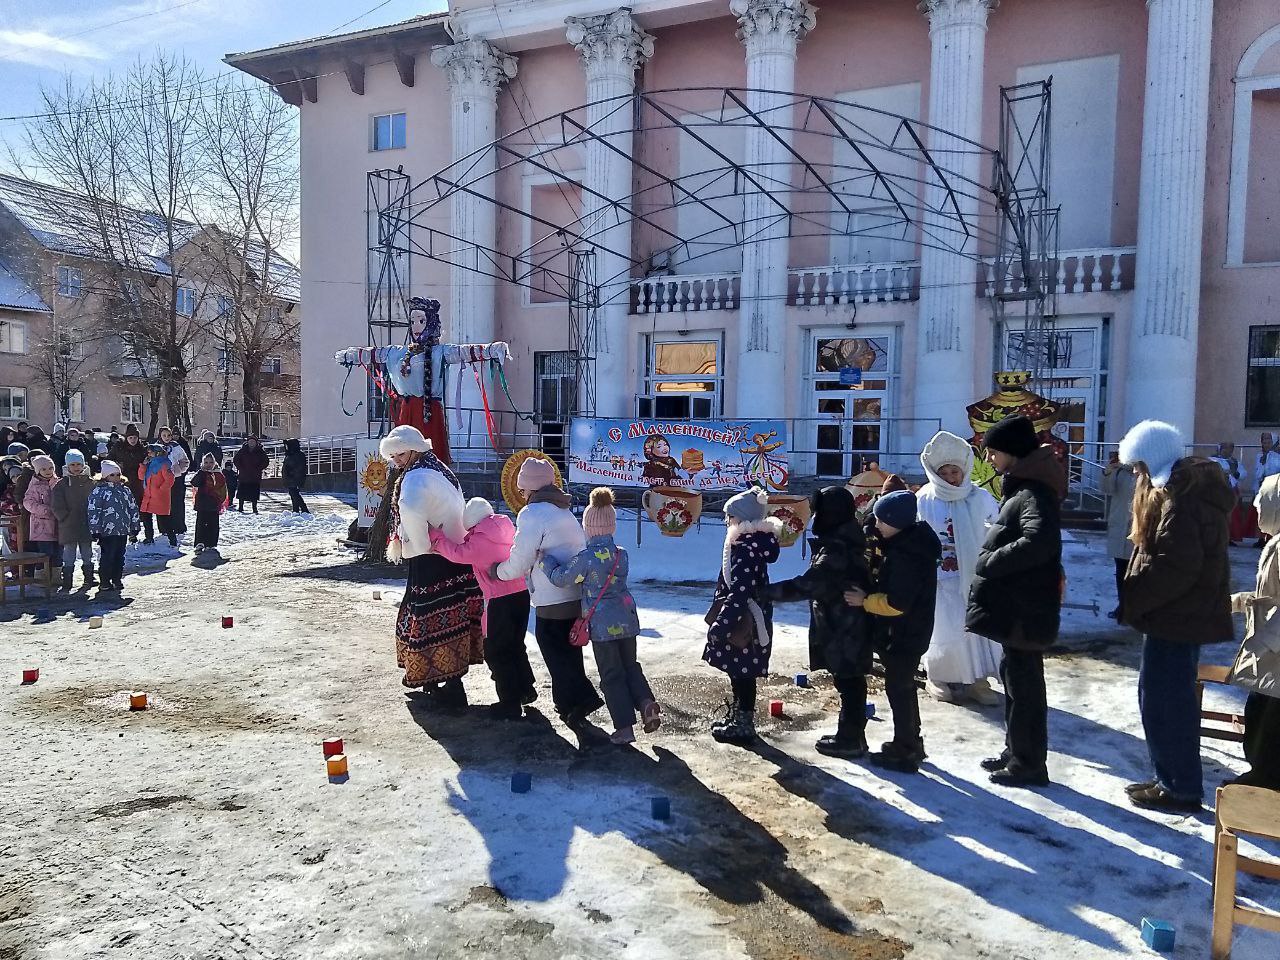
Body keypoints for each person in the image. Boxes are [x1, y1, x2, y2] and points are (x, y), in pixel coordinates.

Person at [1119, 419, 1233, 812]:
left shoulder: (1182, 500)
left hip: (1176, 617)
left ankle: (1179, 788)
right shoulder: (1183, 493)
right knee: (1165, 699)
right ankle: (1169, 777)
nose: (1136, 475)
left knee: (1166, 702)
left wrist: (1139, 600)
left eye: (1139, 466)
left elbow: (1177, 567)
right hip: (1177, 616)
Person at [967, 414, 1065, 789]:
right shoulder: (1025, 487)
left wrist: (990, 561)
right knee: (1014, 681)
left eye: (992, 452)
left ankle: (1028, 763)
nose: (989, 459)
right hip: (1020, 609)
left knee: (1024, 689)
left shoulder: (1033, 492)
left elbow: (1039, 541)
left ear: (1011, 451)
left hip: (1026, 608)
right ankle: (1015, 751)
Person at [541, 487, 660, 745]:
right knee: (630, 666)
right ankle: (646, 702)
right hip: (627, 618)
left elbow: (562, 578)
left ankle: (624, 728)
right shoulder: (621, 554)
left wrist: (546, 561)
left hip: (603, 627)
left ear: (589, 528)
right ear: (612, 526)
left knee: (611, 675)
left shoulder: (586, 558)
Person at [495, 457, 604, 730]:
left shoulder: (532, 514)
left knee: (553, 649)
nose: (521, 496)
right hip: (574, 592)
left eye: (522, 490)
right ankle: (568, 703)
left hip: (551, 595)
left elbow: (522, 555)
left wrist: (500, 572)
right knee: (567, 651)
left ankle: (579, 700)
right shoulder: (563, 511)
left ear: (529, 488)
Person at [382, 425, 484, 707]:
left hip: (432, 558)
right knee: (452, 617)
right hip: (454, 553)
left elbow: (412, 510)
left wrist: (420, 544)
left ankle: (444, 684)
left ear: (414, 450)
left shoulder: (414, 479)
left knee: (431, 619)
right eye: (393, 456)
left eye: (400, 454)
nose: (396, 461)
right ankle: (444, 681)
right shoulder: (438, 467)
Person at [768, 486, 873, 758]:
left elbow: (807, 585)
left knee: (849, 682)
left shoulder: (836, 550)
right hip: (848, 626)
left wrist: (765, 592)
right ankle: (853, 736)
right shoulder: (846, 538)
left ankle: (850, 739)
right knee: (850, 681)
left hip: (845, 628)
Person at [845, 489, 940, 772]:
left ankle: (905, 750)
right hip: (911, 633)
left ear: (897, 522)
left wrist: (864, 601)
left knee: (899, 690)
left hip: (902, 635)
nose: (876, 527)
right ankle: (911, 740)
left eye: (881, 521)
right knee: (904, 688)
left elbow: (897, 604)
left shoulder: (905, 556)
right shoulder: (909, 544)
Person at [430, 497, 537, 720]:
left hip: (500, 600)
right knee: (515, 646)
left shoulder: (480, 541)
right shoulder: (506, 529)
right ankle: (526, 689)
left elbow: (457, 554)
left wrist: (436, 537)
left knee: (497, 651)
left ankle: (509, 703)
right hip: (520, 596)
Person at [916, 431, 1002, 706]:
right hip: (941, 579)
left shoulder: (980, 497)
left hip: (976, 576)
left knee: (975, 630)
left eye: (956, 471)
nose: (952, 477)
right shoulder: (925, 498)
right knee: (944, 629)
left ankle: (977, 679)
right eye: (946, 471)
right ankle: (938, 676)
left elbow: (998, 527)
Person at [704, 487, 782, 746]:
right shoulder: (749, 544)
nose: (727, 522)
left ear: (744, 521)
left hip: (744, 622)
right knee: (739, 671)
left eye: (731, 517)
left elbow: (739, 592)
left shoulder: (746, 549)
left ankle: (743, 723)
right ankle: (739, 717)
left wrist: (720, 626)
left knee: (742, 672)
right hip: (746, 617)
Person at [1228, 474, 1280, 790]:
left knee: (1269, 727)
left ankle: (1263, 789)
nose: (1256, 509)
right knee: (1259, 715)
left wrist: (1266, 642)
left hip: (1275, 657)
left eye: (1263, 501)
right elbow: (1270, 597)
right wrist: (1235, 602)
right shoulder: (1275, 542)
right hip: (1271, 656)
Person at [87, 459, 140, 594]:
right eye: (112, 475)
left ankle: (117, 578)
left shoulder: (125, 490)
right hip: (106, 531)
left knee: (119, 556)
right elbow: (94, 511)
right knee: (107, 556)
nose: (116, 477)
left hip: (122, 529)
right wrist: (95, 530)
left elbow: (132, 507)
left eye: (117, 474)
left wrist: (135, 525)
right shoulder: (99, 491)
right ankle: (105, 581)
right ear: (105, 476)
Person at [1100, 452, 1138, 618]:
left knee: (1137, 571)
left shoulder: (1145, 472)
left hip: (1137, 529)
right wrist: (1109, 470)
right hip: (1119, 526)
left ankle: (1135, 608)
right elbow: (1107, 489)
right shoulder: (1119, 471)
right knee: (1121, 569)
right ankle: (1122, 606)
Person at [51, 449, 95, 591]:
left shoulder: (90, 483)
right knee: (69, 554)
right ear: (67, 466)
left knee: (87, 553)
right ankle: (67, 580)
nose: (76, 468)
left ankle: (89, 578)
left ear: (83, 465)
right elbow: (56, 504)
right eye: (73, 465)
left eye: (78, 464)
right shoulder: (62, 484)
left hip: (86, 523)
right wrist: (64, 517)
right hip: (69, 525)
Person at [22, 454, 61, 573]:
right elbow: (28, 502)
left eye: (50, 468)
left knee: (58, 552)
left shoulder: (58, 483)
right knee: (44, 553)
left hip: (58, 524)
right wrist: (44, 510)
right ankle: (42, 576)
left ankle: (56, 575)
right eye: (43, 469)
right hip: (41, 526)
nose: (48, 471)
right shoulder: (34, 486)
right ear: (38, 471)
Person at [110, 425, 146, 535]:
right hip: (122, 479)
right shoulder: (119, 447)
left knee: (136, 506)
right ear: (126, 438)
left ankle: (134, 531)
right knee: (123, 505)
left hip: (137, 480)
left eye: (135, 438)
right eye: (130, 438)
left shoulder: (142, 449)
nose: (133, 440)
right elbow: (109, 459)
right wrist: (116, 466)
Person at [139, 443, 176, 547]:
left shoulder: (164, 464)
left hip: (159, 497)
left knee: (164, 520)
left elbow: (170, 479)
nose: (149, 454)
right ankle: (149, 537)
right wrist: (143, 465)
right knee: (146, 518)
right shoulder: (150, 463)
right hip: (148, 495)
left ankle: (172, 539)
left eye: (151, 452)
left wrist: (161, 489)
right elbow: (141, 477)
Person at [191, 454, 228, 552]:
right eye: (206, 462)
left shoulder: (218, 474)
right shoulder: (202, 474)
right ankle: (199, 542)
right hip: (202, 503)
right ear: (203, 463)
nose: (208, 465)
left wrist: (220, 500)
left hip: (214, 503)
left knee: (213, 524)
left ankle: (211, 543)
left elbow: (223, 489)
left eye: (211, 462)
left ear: (215, 463)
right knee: (200, 524)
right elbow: (194, 482)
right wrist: (201, 472)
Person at [160, 427, 192, 539]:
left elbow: (185, 461)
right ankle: (164, 528)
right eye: (164, 435)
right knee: (163, 504)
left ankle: (179, 526)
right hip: (162, 479)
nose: (167, 438)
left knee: (177, 503)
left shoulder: (176, 447)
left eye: (168, 435)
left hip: (176, 479)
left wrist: (179, 471)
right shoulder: (156, 447)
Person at [1253, 433, 1280, 548]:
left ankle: (1273, 539)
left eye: (1269, 442)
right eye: (1264, 442)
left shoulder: (1278, 455)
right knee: (1263, 512)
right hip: (1264, 487)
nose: (1266, 444)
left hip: (1276, 486)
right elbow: (1258, 472)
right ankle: (1261, 538)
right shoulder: (1260, 456)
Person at [233, 435, 269, 514]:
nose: (251, 443)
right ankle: (241, 507)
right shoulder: (242, 450)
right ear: (247, 442)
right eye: (250, 441)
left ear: (256, 443)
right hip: (244, 475)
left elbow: (266, 461)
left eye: (253, 441)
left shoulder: (260, 451)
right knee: (242, 492)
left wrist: (259, 468)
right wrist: (240, 467)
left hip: (255, 476)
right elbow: (236, 460)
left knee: (254, 493)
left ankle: (254, 508)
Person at [281, 438, 309, 514]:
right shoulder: (290, 454)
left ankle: (304, 509)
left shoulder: (298, 455)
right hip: (290, 478)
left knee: (295, 494)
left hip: (295, 478)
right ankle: (296, 510)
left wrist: (292, 473)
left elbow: (300, 467)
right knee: (293, 494)